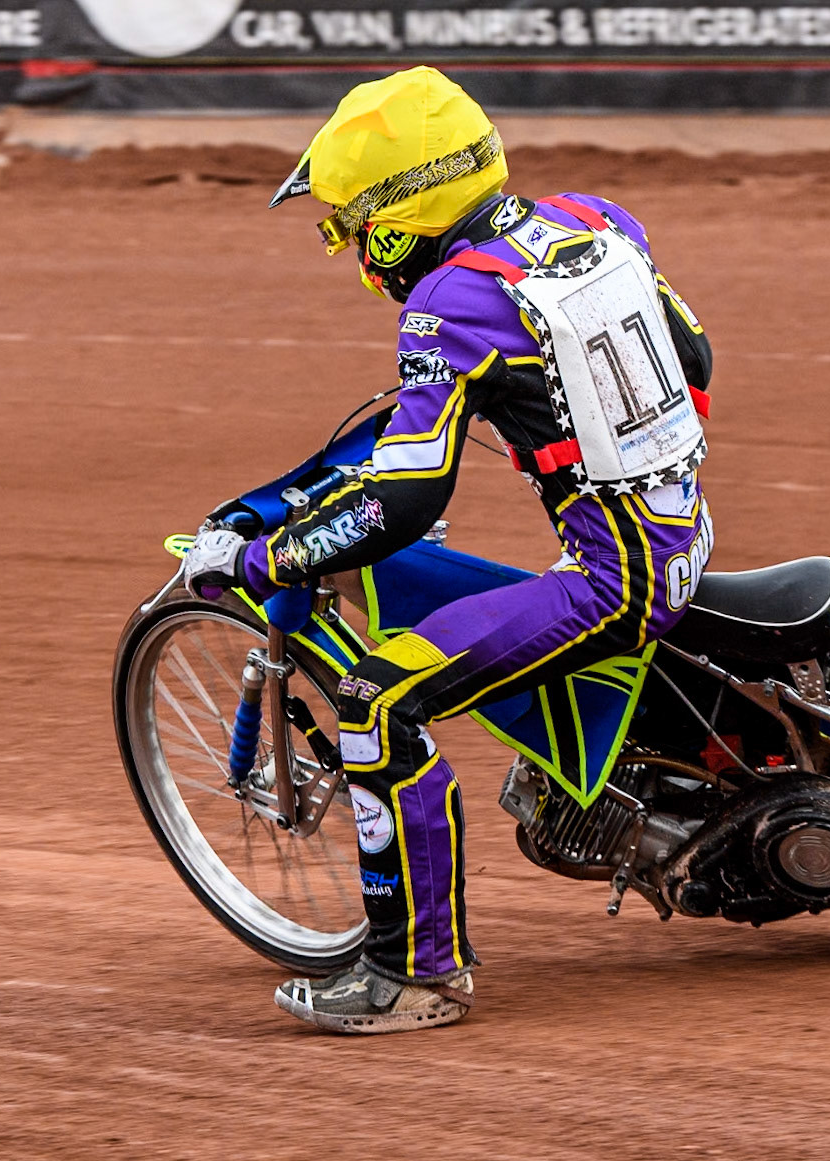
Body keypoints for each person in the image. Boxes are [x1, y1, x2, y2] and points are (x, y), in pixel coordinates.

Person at [181, 67, 715, 1035]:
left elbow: (402, 499)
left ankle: (415, 974)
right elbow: (696, 357)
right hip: (685, 532)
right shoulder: (592, 220)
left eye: (349, 225)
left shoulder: (447, 307)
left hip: (615, 580)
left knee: (376, 699)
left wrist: (264, 563)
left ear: (397, 220)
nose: (353, 249)